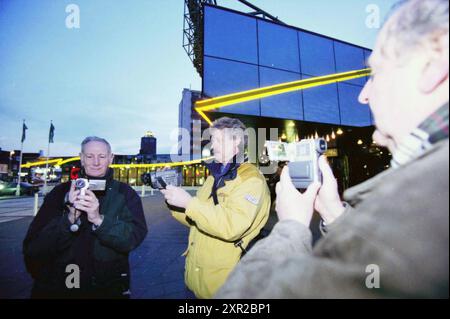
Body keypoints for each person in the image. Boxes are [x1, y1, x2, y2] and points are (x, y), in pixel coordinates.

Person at [217, 0, 449, 298]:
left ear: (431, 66)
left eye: (375, 73)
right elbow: (376, 267)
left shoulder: (425, 198)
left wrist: (290, 226)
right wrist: (333, 211)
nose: (364, 96)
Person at [23, 136, 148, 298]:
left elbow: (133, 238)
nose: (96, 162)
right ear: (81, 158)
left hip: (107, 288)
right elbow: (34, 248)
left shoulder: (125, 194)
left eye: (102, 156)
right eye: (90, 156)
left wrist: (99, 220)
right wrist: (69, 218)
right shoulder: (60, 193)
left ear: (111, 158)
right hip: (57, 288)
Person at [161, 117, 270, 298]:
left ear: (237, 142)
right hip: (196, 281)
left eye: (219, 140)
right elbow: (196, 219)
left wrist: (189, 203)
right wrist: (172, 199)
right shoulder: (214, 176)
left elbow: (231, 227)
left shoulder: (251, 179)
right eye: (212, 139)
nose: (213, 145)